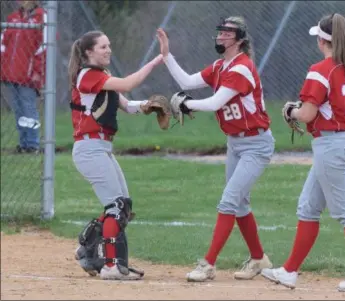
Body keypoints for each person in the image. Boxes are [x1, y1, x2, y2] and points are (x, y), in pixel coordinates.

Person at [260, 13, 345, 292]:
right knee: (308, 207)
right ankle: (289, 271)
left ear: (322, 40)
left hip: (332, 145)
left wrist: (291, 111)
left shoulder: (321, 69)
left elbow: (308, 112)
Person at [156, 16, 275, 282]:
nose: (220, 37)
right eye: (220, 32)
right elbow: (186, 82)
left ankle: (208, 264)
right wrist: (167, 56)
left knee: (229, 201)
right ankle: (258, 259)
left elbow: (214, 103)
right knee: (240, 204)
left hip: (256, 144)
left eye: (227, 33)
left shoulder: (241, 67)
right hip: (236, 142)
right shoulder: (221, 66)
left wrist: (187, 105)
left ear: (240, 39)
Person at [68, 30, 163, 280]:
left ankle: (87, 248)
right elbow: (129, 83)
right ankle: (111, 266)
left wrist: (148, 106)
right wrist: (156, 60)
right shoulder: (87, 76)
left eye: (109, 45)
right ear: (89, 52)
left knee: (124, 207)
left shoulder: (103, 76)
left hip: (101, 149)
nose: (108, 50)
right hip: (89, 149)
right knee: (116, 206)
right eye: (102, 47)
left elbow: (128, 105)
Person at [1, 0, 46, 154]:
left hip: (28, 73)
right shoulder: (13, 17)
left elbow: (44, 47)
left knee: (28, 108)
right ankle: (24, 143)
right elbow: (3, 44)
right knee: (18, 109)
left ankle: (32, 144)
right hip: (10, 72)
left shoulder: (42, 18)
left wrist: (38, 71)